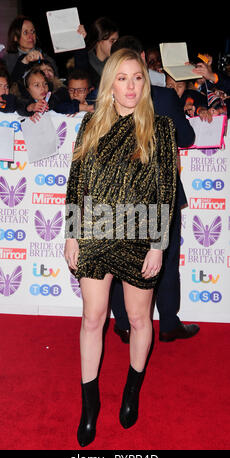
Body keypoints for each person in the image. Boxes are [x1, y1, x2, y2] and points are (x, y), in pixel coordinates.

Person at [64, 48, 178, 446]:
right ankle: (89, 404)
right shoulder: (90, 125)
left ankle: (132, 388)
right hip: (94, 231)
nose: (131, 86)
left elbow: (165, 193)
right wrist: (72, 233)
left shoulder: (160, 128)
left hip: (140, 233)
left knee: (139, 318)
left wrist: (158, 246)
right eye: (123, 78)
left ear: (145, 84)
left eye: (138, 78)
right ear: (110, 83)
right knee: (92, 319)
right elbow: (76, 183)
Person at [109, 36, 199, 343]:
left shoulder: (105, 96)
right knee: (167, 257)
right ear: (145, 58)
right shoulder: (162, 96)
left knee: (122, 258)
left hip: (121, 195)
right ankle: (169, 323)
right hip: (161, 193)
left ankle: (122, 322)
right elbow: (186, 138)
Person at [3, 15, 58, 81]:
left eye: (33, 32)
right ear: (15, 37)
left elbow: (56, 85)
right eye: (25, 33)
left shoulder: (47, 59)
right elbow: (9, 86)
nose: (31, 36)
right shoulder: (7, 61)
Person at [74, 17, 119, 88]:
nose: (116, 45)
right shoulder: (84, 62)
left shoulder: (118, 63)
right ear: (100, 40)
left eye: (117, 41)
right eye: (112, 41)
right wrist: (80, 41)